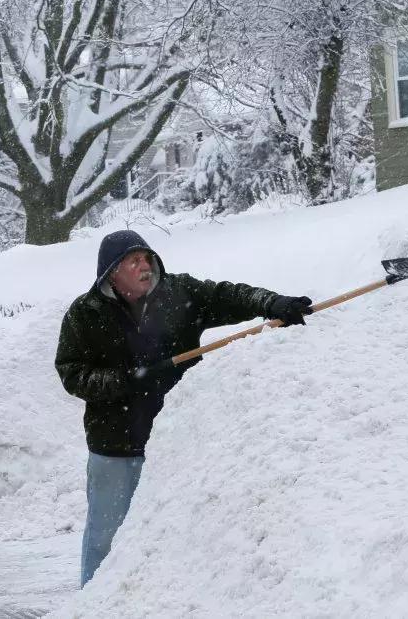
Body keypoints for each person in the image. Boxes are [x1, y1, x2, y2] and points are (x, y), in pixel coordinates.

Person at [54, 230, 313, 587]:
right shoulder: (86, 314)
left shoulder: (179, 293)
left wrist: (272, 303)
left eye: (147, 259)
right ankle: (92, 605)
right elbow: (71, 372)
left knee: (177, 539)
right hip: (116, 447)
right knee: (106, 538)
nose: (144, 267)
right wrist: (125, 380)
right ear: (112, 272)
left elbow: (228, 296)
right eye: (134, 261)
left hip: (180, 444)